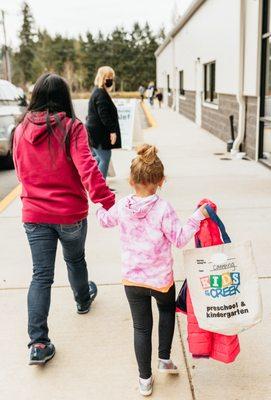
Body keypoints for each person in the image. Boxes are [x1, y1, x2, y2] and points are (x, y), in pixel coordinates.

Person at [12, 73, 115, 366]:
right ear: (64, 98)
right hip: (69, 213)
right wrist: (108, 202)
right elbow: (88, 169)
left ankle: (38, 343)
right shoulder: (71, 127)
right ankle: (83, 299)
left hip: (34, 214)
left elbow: (21, 172)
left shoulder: (19, 130)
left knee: (41, 275)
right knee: (75, 259)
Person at [96, 144, 208, 396]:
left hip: (133, 279)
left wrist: (99, 207)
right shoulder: (163, 209)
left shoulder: (123, 205)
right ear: (160, 181)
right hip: (161, 280)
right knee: (166, 312)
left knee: (141, 327)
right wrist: (197, 217)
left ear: (131, 180)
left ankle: (144, 379)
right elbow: (179, 239)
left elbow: (105, 220)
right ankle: (164, 358)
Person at [86, 66, 122, 180]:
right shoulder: (100, 94)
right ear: (102, 78)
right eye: (109, 77)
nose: (111, 80)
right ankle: (100, 187)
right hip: (99, 133)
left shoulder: (99, 92)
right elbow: (104, 115)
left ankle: (91, 180)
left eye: (112, 77)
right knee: (105, 158)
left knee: (97, 158)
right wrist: (112, 131)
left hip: (95, 131)